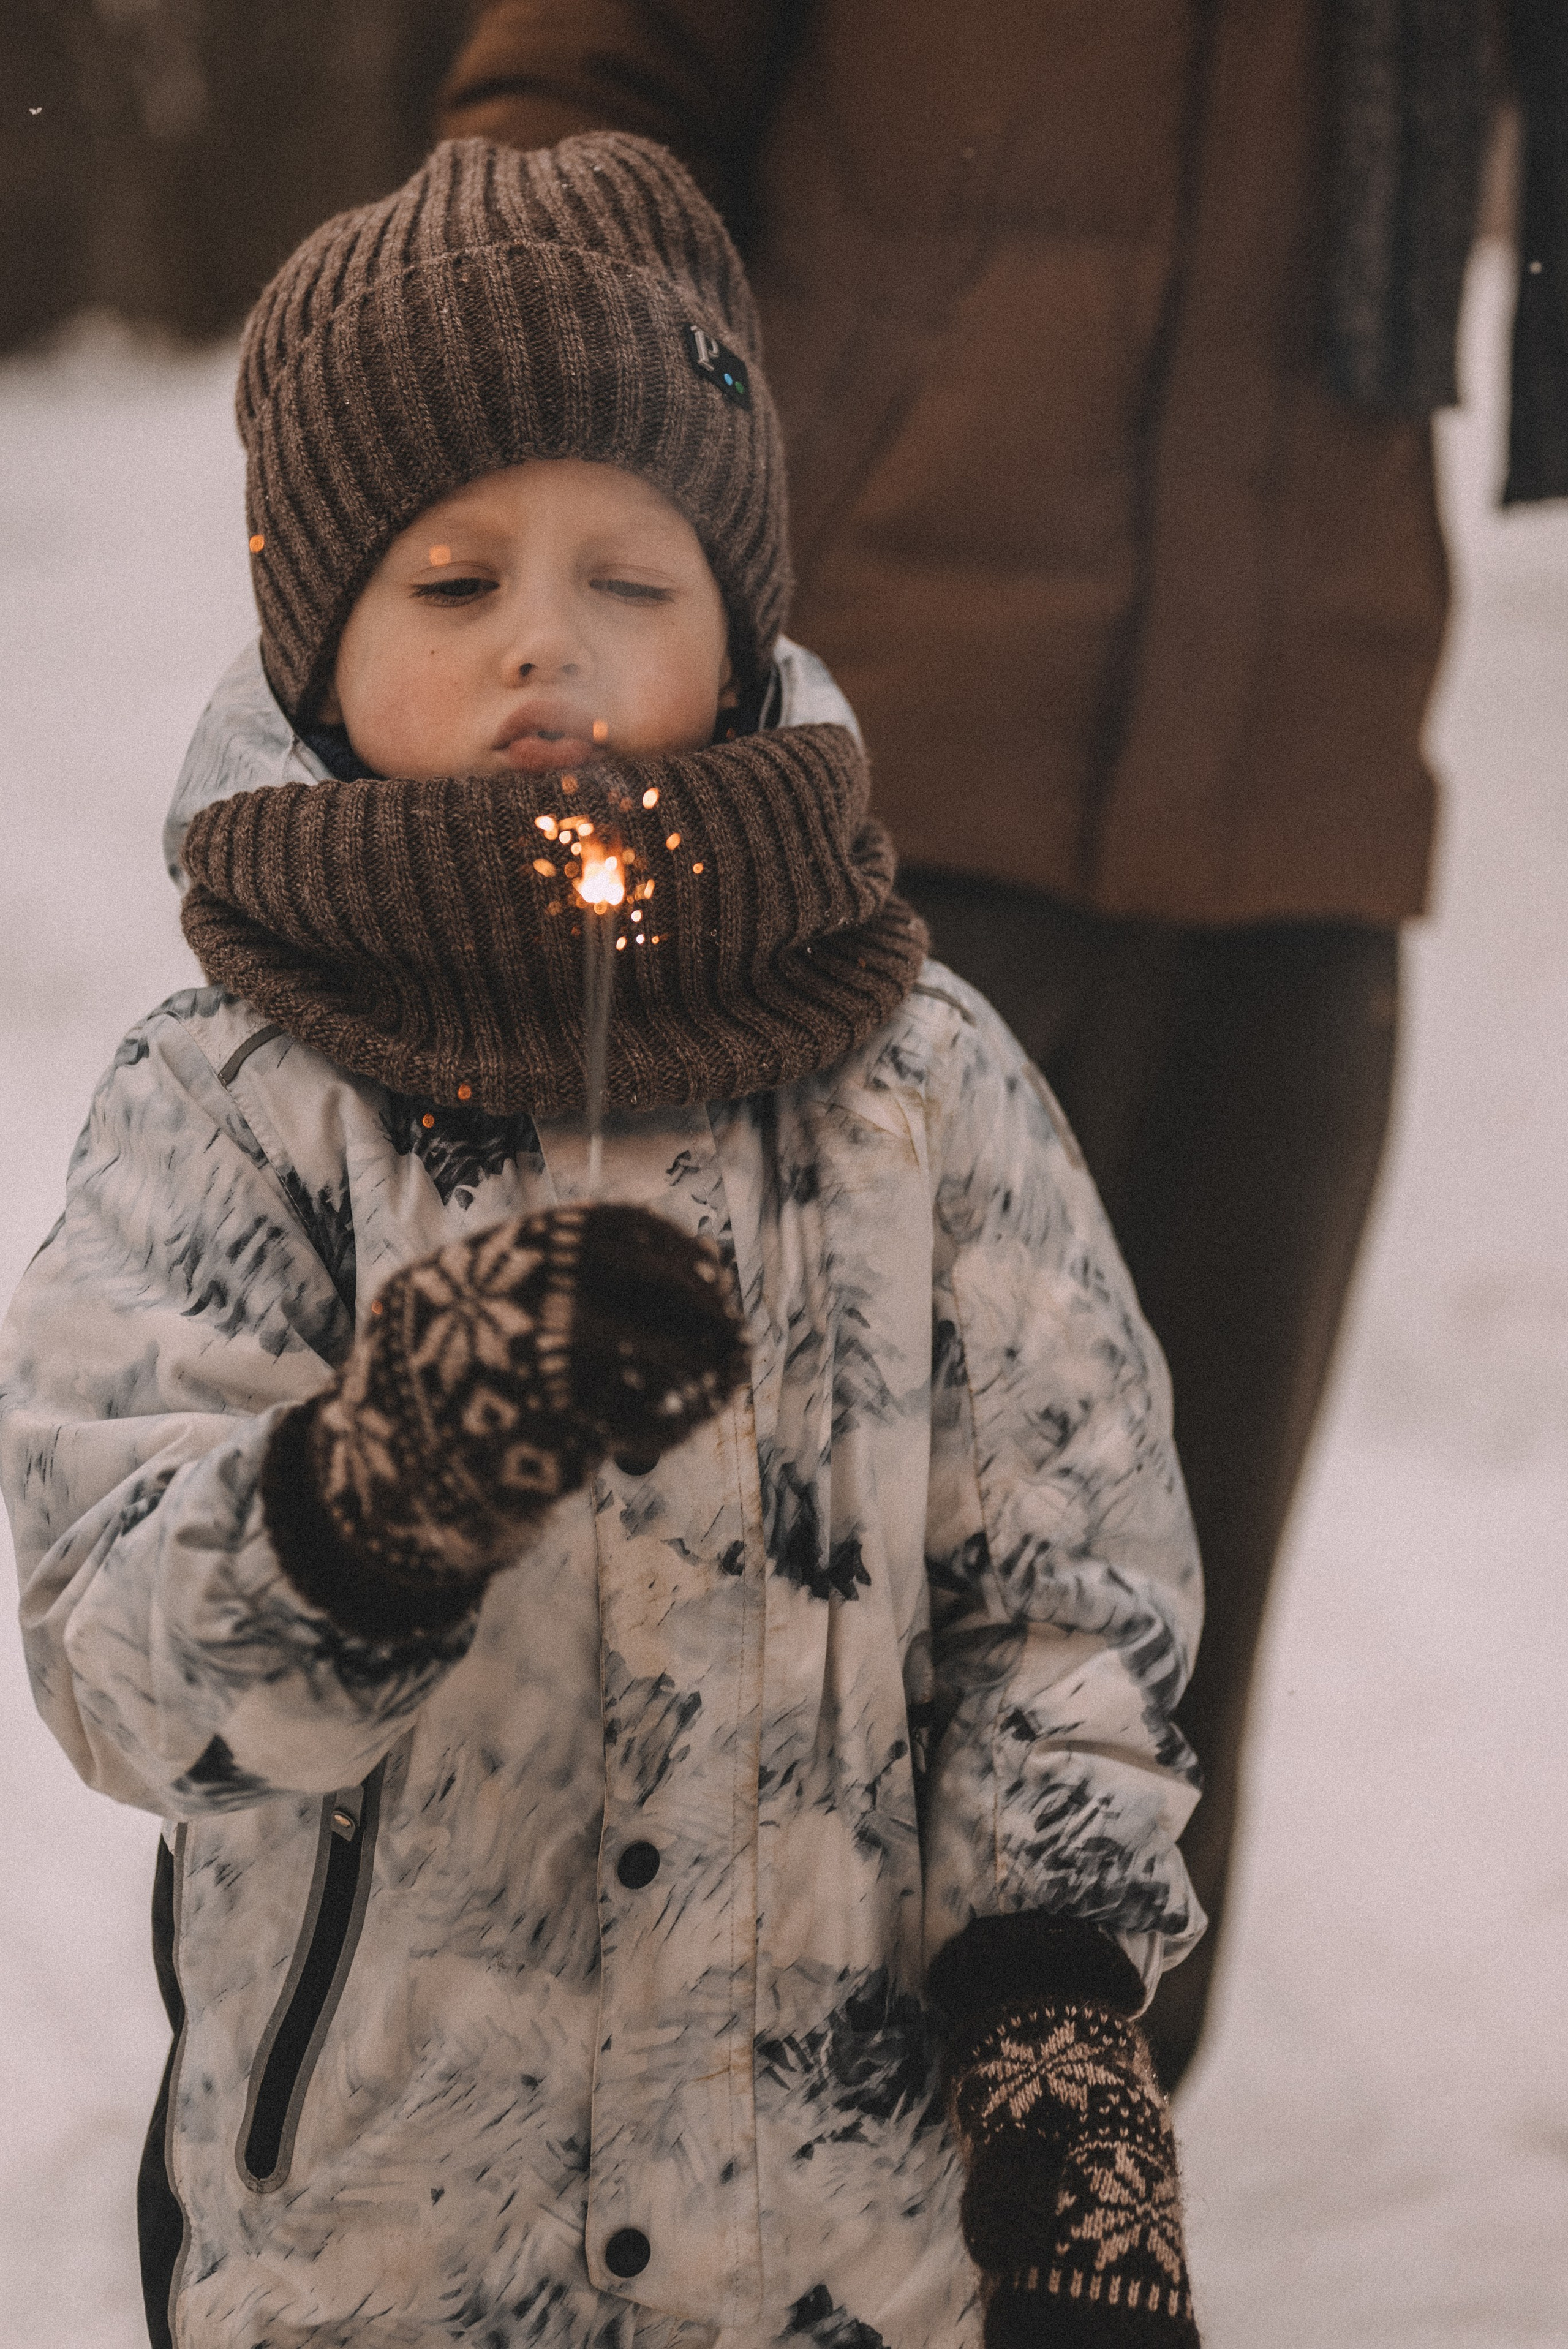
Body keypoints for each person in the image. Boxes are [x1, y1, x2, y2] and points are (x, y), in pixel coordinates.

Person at [2, 135, 1208, 2349]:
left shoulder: (916, 1085)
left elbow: (1067, 1603)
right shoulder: (235, 1101)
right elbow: (111, 1643)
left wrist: (1064, 2071)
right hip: (384, 2268)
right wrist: (365, 1498)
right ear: (318, 635)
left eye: (629, 581)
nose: (544, 642)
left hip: (844, 2267)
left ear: (740, 626)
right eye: (454, 582)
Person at [434, 0, 1568, 2089]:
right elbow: (569, 117)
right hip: (857, 809)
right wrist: (613, 577)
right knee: (744, 1703)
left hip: (1301, 822)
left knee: (1135, 1736)